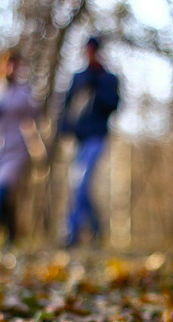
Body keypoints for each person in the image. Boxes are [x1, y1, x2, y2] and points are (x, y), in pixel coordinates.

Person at [60, 36, 120, 247]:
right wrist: (63, 129)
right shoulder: (78, 77)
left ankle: (71, 233)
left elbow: (114, 105)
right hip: (79, 138)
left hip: (97, 136)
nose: (90, 54)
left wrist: (98, 86)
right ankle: (95, 228)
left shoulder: (108, 78)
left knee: (81, 182)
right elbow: (67, 105)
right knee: (78, 186)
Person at [0, 52, 38, 248]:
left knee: (3, 188)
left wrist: (39, 150)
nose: (12, 70)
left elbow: (35, 121)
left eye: (15, 65)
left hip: (15, 149)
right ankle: (11, 235)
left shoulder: (24, 92)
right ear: (1, 67)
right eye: (8, 65)